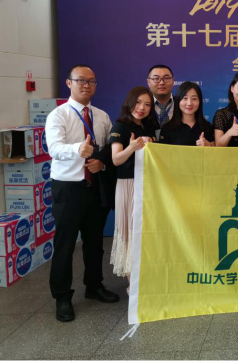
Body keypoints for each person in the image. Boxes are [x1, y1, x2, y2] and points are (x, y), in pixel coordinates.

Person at [46, 64, 119, 322]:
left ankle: (94, 286)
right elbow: (54, 148)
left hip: (95, 186)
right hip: (69, 187)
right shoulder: (59, 115)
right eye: (81, 80)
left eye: (91, 81)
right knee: (65, 244)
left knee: (95, 242)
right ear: (69, 83)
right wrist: (78, 149)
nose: (86, 85)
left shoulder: (101, 116)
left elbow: (109, 148)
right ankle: (62, 297)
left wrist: (102, 163)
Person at [108, 87, 156, 293]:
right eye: (138, 102)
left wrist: (153, 142)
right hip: (128, 185)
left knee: (144, 232)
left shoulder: (149, 126)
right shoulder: (120, 126)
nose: (141, 108)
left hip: (148, 184)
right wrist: (132, 147)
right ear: (130, 102)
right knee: (130, 232)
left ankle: (144, 278)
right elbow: (116, 159)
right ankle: (132, 284)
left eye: (147, 104)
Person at [159, 82, 215, 146]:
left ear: (200, 101)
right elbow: (161, 151)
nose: (189, 103)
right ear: (178, 101)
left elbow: (215, 150)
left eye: (194, 98)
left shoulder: (207, 127)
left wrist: (208, 145)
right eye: (185, 98)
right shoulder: (167, 128)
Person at [146, 64, 174, 138]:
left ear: (173, 81)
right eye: (156, 78)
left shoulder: (182, 105)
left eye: (166, 78)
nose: (161, 83)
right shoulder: (140, 106)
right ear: (148, 82)